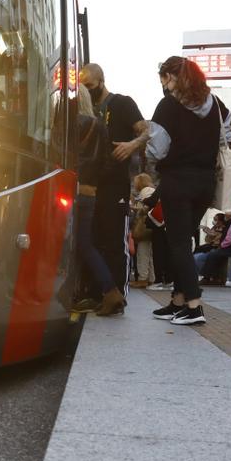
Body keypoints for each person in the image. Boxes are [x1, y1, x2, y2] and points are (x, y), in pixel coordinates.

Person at [149, 56, 228, 326]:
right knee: (184, 241)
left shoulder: (168, 105)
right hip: (204, 182)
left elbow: (157, 148)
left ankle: (194, 307)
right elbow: (225, 134)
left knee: (178, 244)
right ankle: (178, 302)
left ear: (171, 77)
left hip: (177, 180)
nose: (164, 86)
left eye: (164, 79)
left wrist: (151, 153)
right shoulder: (216, 104)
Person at [81, 63, 148, 302]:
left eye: (89, 86)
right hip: (91, 184)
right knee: (91, 238)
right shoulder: (85, 109)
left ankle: (117, 293)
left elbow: (146, 131)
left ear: (101, 81)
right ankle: (97, 293)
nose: (87, 91)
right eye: (83, 87)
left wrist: (132, 145)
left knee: (113, 239)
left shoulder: (122, 103)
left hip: (115, 184)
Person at [74, 85, 126, 316]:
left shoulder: (69, 123)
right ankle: (110, 291)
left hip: (69, 188)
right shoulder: (100, 125)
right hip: (90, 192)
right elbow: (107, 162)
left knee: (78, 244)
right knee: (86, 243)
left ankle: (110, 290)